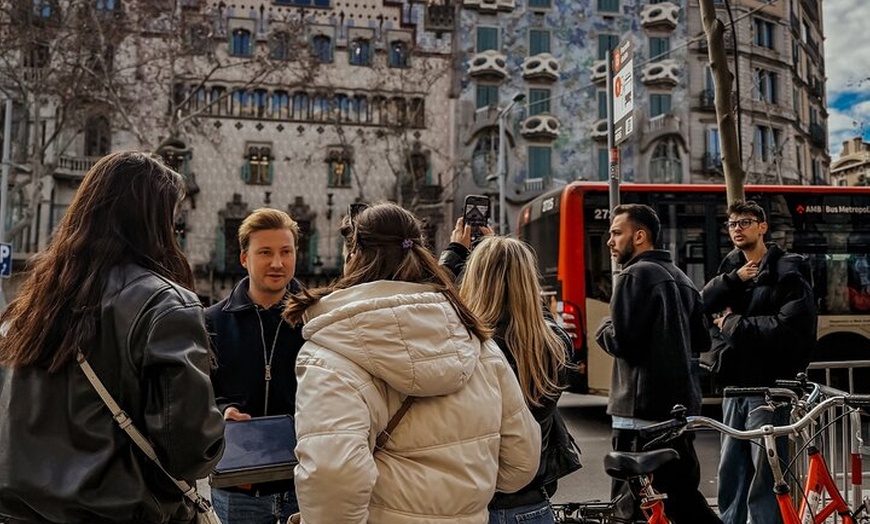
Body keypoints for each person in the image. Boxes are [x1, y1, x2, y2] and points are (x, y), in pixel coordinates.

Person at [0, 151, 225, 523]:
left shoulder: (27, 307)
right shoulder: (166, 304)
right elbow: (189, 449)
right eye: (173, 220)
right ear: (153, 221)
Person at [283, 202, 541, 524]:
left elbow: (332, 477)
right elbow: (521, 463)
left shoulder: (330, 354)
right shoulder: (478, 343)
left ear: (352, 258)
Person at [595, 203, 721, 524]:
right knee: (683, 500)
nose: (610, 241)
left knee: (630, 509)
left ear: (639, 236)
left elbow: (623, 342)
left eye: (616, 233)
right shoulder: (682, 278)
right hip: (680, 412)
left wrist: (603, 327)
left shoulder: (633, 276)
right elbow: (703, 340)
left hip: (638, 414)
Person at [701, 199, 816, 524]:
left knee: (767, 474)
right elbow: (701, 307)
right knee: (731, 471)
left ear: (763, 226)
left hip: (767, 389)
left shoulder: (788, 269)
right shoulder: (731, 267)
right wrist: (732, 280)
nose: (737, 229)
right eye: (732, 224)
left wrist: (731, 324)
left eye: (745, 222)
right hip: (734, 386)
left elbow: (791, 331)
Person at [459, 236, 574, 524]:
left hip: (472, 498)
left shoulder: (463, 343)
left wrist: (457, 253)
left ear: (474, 278)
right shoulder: (553, 344)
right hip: (530, 500)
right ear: (529, 283)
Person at [206, 208, 305, 523]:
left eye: (285, 252)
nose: (277, 263)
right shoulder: (211, 321)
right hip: (238, 484)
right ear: (244, 258)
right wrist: (223, 411)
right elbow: (199, 392)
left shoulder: (316, 320)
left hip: (304, 480)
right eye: (265, 252)